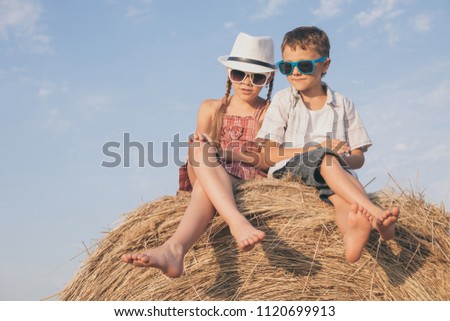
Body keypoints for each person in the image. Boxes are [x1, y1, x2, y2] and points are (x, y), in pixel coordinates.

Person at [121, 32, 276, 277]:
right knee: (197, 148)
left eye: (256, 77)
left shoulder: (269, 112)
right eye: (239, 74)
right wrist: (203, 143)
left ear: (268, 79)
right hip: (206, 168)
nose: (247, 82)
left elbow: (269, 160)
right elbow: (198, 156)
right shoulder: (210, 108)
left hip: (245, 180)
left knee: (207, 188)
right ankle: (237, 222)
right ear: (228, 73)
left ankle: (174, 249)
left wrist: (229, 153)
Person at [256, 26, 399, 263]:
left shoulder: (343, 104)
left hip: (335, 174)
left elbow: (358, 158)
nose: (295, 72)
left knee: (345, 202)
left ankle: (351, 238)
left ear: (325, 65)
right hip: (290, 172)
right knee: (326, 158)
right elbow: (270, 155)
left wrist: (341, 158)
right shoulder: (283, 100)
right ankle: (375, 213)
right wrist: (319, 149)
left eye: (303, 65)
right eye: (286, 67)